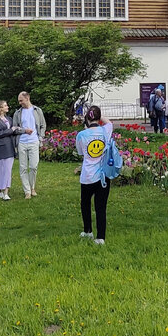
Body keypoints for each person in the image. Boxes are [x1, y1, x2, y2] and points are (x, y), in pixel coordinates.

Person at [75, 105, 113, 246]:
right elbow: (109, 122)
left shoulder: (82, 135)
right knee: (100, 207)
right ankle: (101, 237)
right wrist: (99, 115)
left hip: (88, 175)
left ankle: (88, 231)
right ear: (98, 117)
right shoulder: (105, 130)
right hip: (103, 175)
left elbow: (80, 152)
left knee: (85, 203)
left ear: (87, 118)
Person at [15, 91, 47, 199]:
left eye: (21, 100)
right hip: (22, 143)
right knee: (23, 168)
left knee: (33, 166)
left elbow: (43, 125)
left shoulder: (37, 111)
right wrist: (24, 130)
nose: (20, 103)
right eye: (19, 101)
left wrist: (41, 137)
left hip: (34, 142)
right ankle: (27, 191)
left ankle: (32, 187)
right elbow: (14, 128)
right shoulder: (18, 113)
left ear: (27, 98)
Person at [0, 100, 22, 200]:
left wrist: (22, 131)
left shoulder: (9, 119)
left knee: (7, 170)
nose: (8, 107)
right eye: (5, 105)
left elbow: (13, 132)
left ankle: (6, 192)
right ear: (0, 108)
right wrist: (11, 130)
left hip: (9, 147)